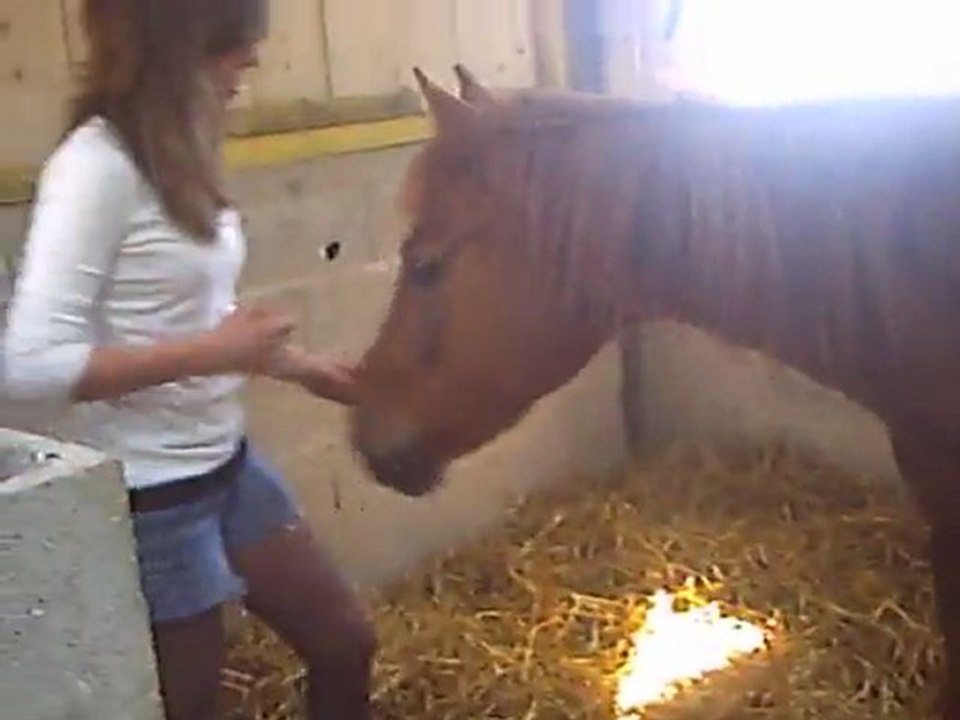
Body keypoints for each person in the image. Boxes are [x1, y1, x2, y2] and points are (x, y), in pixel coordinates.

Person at [3, 1, 375, 719]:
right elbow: (26, 366)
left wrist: (300, 366)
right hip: (154, 495)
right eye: (232, 45)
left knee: (344, 641)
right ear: (178, 48)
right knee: (191, 706)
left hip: (225, 463)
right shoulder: (95, 167)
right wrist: (217, 352)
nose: (253, 60)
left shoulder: (178, 148)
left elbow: (187, 316)